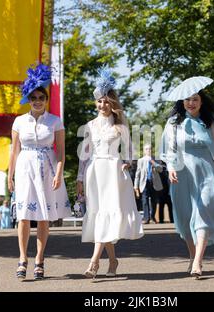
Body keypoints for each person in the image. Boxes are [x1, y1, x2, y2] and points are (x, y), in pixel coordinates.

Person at [76, 67, 144, 279]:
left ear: (112, 103)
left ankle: (94, 261)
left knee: (106, 215)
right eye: (99, 101)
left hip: (113, 173)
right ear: (96, 102)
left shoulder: (120, 126)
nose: (103, 105)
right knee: (100, 215)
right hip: (94, 173)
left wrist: (127, 163)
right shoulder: (89, 125)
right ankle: (113, 260)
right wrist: (79, 178)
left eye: (107, 101)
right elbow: (84, 154)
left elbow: (131, 150)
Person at [8, 63, 71, 280]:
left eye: (41, 98)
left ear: (45, 100)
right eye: (33, 97)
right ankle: (23, 257)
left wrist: (59, 173)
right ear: (28, 99)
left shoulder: (55, 121)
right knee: (24, 216)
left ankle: (40, 259)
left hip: (47, 167)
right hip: (25, 168)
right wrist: (10, 175)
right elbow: (14, 150)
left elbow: (61, 152)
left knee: (43, 216)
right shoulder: (19, 122)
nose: (37, 101)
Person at [161, 79, 214, 278]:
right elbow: (169, 149)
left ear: (201, 102)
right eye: (187, 100)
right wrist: (171, 167)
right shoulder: (174, 123)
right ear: (181, 102)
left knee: (202, 214)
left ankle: (198, 261)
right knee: (185, 218)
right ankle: (192, 256)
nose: (191, 103)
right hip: (181, 175)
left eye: (195, 99)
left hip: (206, 174)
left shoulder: (212, 123)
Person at [134, 144, 163, 224]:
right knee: (144, 200)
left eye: (150, 149)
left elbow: (160, 170)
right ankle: (146, 218)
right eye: (146, 149)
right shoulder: (140, 160)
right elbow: (137, 174)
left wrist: (153, 162)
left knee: (154, 201)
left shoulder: (156, 159)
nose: (148, 150)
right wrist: (136, 187)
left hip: (154, 183)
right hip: (144, 183)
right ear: (144, 151)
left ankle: (152, 217)